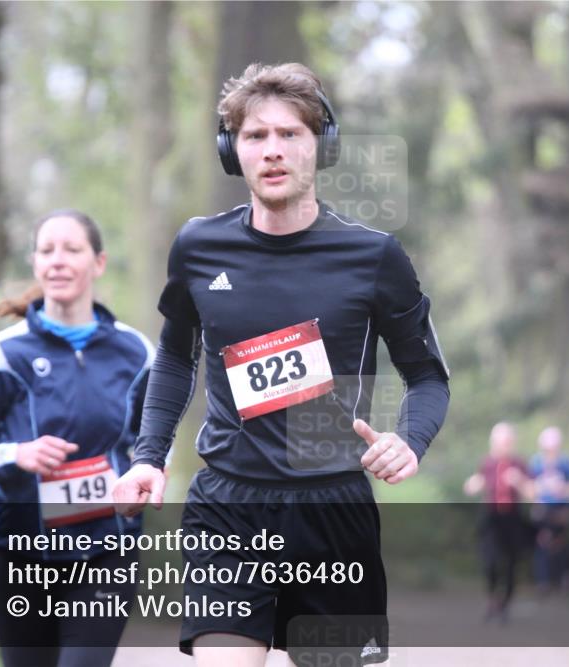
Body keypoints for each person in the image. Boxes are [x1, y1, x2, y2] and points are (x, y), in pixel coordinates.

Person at [113, 62, 450, 666]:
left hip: (333, 511)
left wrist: (411, 440)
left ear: (321, 146)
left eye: (290, 134)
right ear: (231, 151)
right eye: (254, 136)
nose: (272, 151)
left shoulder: (373, 257)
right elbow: (173, 354)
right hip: (227, 506)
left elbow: (426, 375)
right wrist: (148, 455)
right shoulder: (198, 246)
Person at [0, 210, 155, 667]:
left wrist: (150, 471)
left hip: (106, 553)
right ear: (35, 263)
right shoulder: (5, 354)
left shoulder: (136, 352)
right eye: (47, 250)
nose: (58, 261)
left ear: (98, 263)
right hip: (21, 558)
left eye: (72, 249)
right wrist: (18, 454)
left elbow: (156, 440)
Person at [463, 422, 530, 623]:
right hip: (490, 518)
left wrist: (519, 481)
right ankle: (492, 599)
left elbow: (532, 493)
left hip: (512, 518)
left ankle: (505, 605)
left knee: (510, 564)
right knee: (489, 562)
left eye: (506, 442)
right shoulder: (487, 463)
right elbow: (473, 484)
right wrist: (473, 484)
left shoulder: (519, 464)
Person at [528, 426, 569, 592]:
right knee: (543, 541)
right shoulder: (536, 462)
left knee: (561, 544)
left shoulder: (566, 463)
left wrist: (564, 489)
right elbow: (528, 487)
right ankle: (543, 581)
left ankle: (563, 578)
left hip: (561, 510)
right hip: (543, 510)